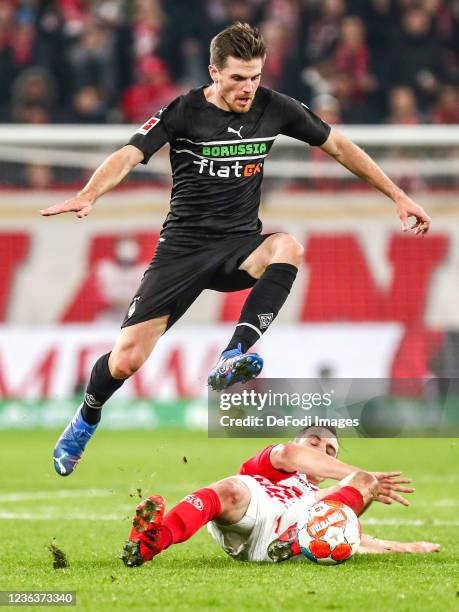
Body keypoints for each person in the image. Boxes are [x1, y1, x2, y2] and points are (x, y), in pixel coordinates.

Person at [42, 22, 431, 477]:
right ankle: (88, 414)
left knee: (288, 246)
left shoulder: (273, 107)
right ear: (214, 72)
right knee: (126, 359)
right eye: (237, 78)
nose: (248, 88)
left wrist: (397, 195)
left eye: (255, 77)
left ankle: (235, 353)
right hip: (183, 249)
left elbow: (340, 146)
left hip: (239, 245)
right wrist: (90, 193)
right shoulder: (184, 110)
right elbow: (130, 153)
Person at [119, 426, 440, 566]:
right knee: (228, 489)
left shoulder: (326, 494)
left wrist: (406, 547)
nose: (322, 451)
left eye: (330, 450)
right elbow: (288, 453)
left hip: (299, 527)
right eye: (314, 443)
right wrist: (354, 473)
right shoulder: (276, 463)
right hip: (253, 510)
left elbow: (349, 535)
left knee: (338, 509)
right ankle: (151, 542)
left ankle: (297, 539)